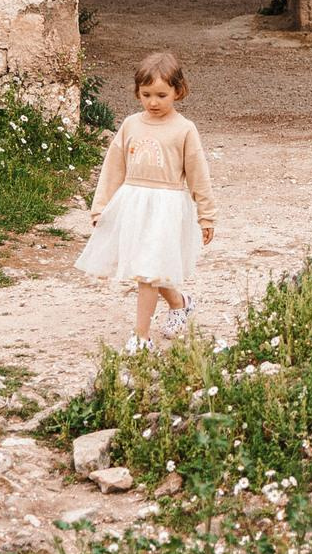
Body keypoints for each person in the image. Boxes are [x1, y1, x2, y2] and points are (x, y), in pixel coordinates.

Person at [74, 50, 218, 350]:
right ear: (137, 92)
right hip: (134, 205)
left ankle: (141, 338)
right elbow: (113, 167)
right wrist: (101, 207)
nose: (153, 102)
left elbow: (198, 174)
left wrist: (206, 215)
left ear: (178, 91)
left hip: (166, 208)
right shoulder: (131, 125)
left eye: (161, 95)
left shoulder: (184, 129)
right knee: (147, 265)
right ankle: (180, 303)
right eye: (146, 94)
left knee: (149, 270)